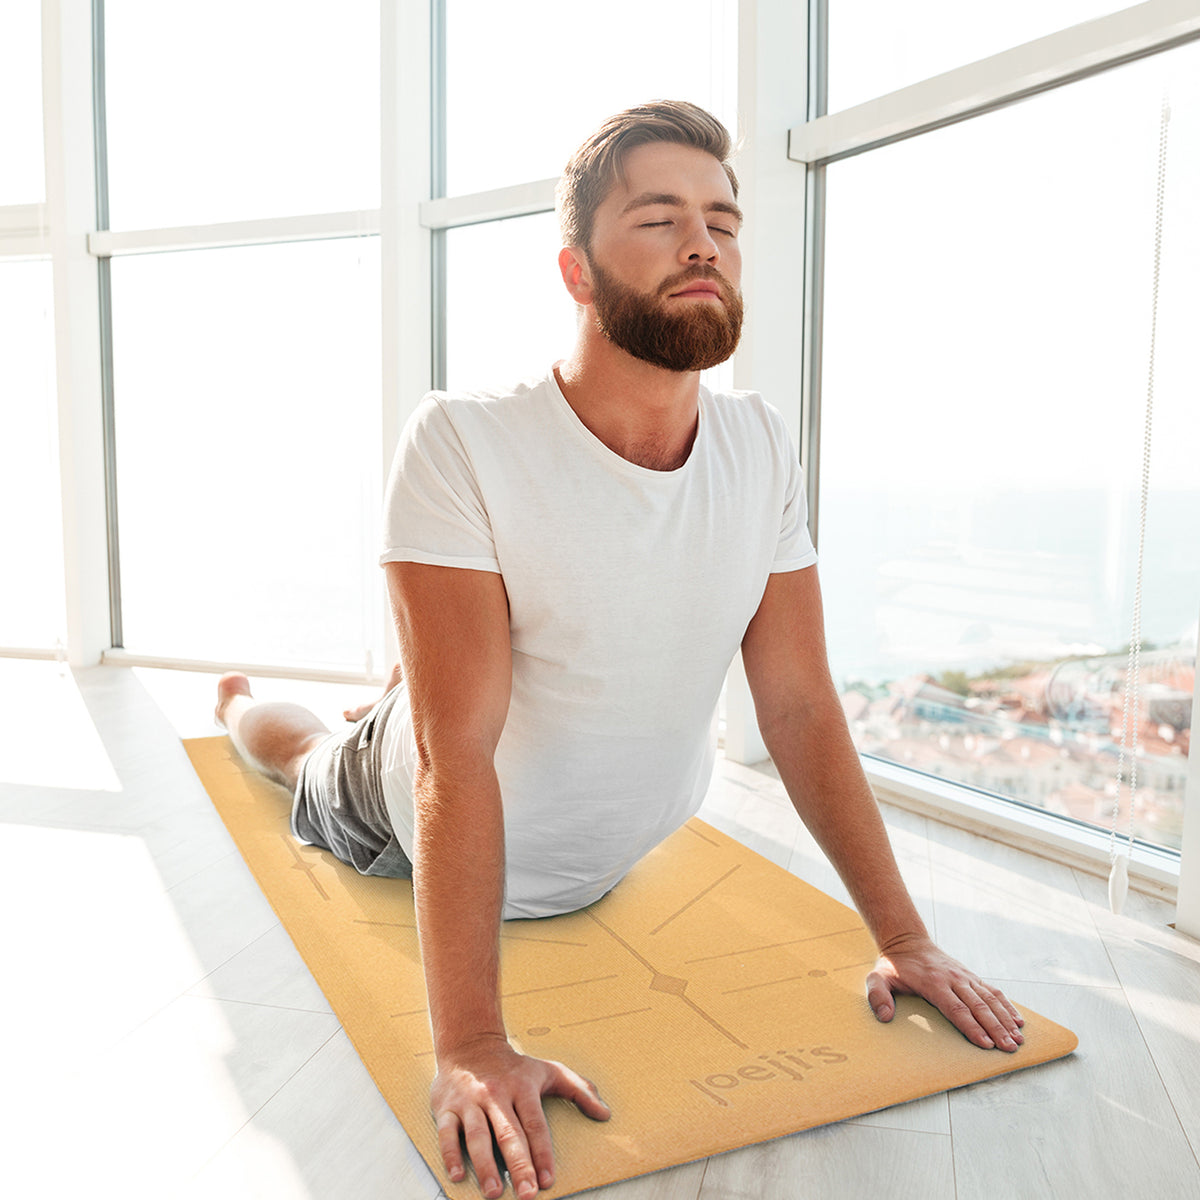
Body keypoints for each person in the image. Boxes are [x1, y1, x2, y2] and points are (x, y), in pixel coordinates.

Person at [215, 101, 1024, 1200]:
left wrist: (907, 935)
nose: (704, 242)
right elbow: (458, 753)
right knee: (307, 752)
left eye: (724, 222)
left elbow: (796, 703)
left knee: (444, 684)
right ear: (577, 273)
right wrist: (468, 1047)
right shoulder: (463, 437)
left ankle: (407, 672)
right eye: (660, 218)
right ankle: (244, 702)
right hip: (408, 803)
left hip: (602, 842)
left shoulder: (761, 442)